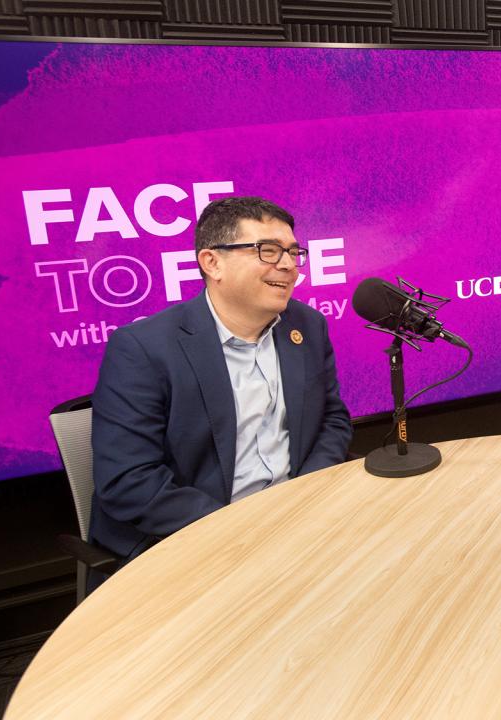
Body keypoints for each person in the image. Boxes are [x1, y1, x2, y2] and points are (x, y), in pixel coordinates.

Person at [89, 196, 352, 587]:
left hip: (298, 524)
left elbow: (332, 419)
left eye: (294, 252)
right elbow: (128, 479)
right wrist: (241, 528)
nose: (288, 265)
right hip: (195, 539)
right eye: (268, 250)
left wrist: (303, 497)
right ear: (212, 263)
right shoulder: (144, 348)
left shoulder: (306, 325)